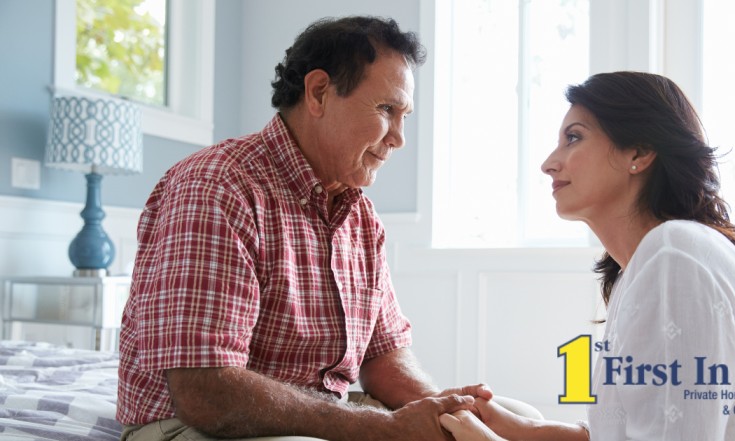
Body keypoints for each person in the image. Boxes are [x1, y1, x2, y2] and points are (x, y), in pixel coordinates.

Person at [117, 16, 492, 441]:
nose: (399, 138)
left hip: (316, 416)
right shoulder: (218, 188)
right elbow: (206, 392)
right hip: (188, 425)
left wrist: (444, 412)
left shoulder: (360, 216)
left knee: (498, 417)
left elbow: (383, 355)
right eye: (387, 109)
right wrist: (381, 427)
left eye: (404, 115)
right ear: (318, 93)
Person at [438, 71, 735, 440]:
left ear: (639, 153)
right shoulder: (652, 263)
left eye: (573, 138)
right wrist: (525, 429)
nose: (548, 163)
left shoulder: (675, 257)